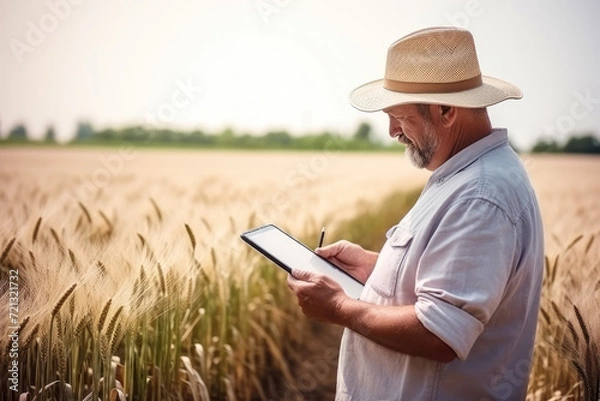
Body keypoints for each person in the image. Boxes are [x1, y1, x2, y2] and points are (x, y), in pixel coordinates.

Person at [287, 26, 544, 400]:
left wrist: (341, 307)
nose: (392, 131)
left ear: (446, 110)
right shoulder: (463, 174)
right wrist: (374, 269)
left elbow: (439, 332)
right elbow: (446, 281)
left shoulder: (481, 195)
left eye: (399, 116)